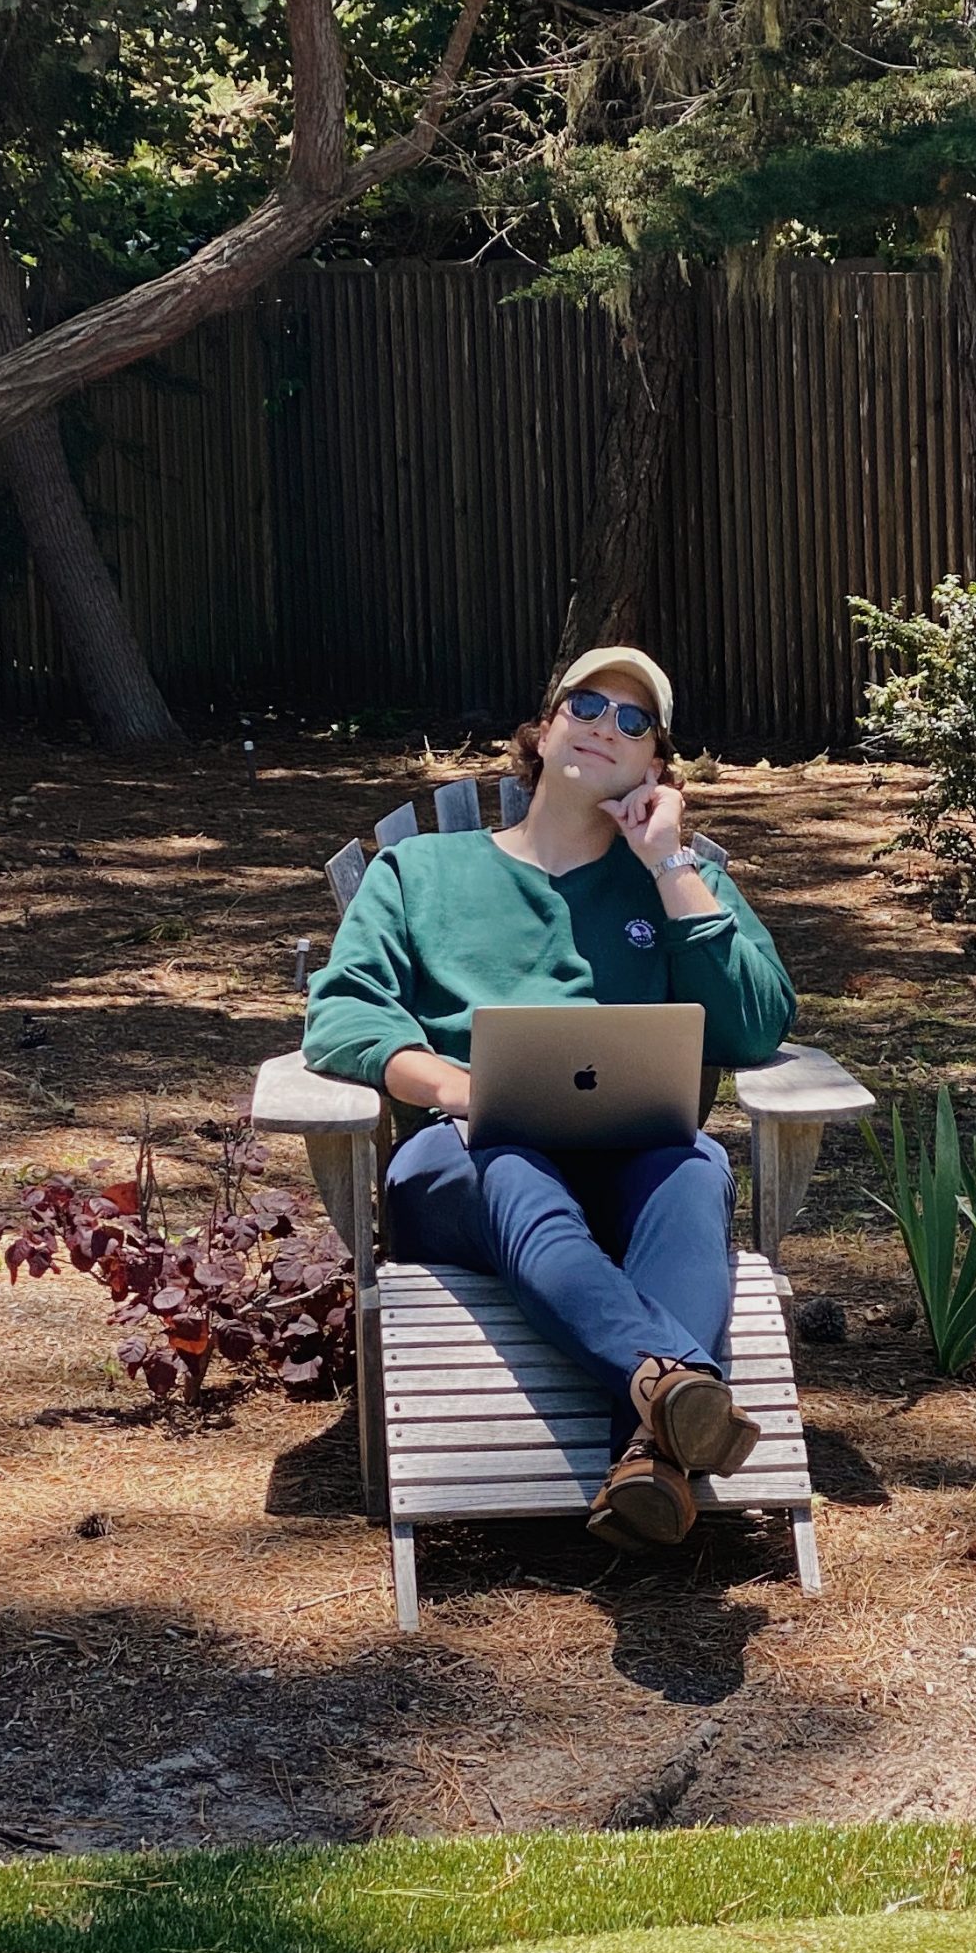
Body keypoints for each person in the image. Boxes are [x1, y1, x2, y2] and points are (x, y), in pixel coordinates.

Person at [301, 646, 797, 1549]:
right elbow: (342, 1018)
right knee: (512, 1165)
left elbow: (757, 1028)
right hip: (462, 1167)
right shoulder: (420, 874)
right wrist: (458, 1088)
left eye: (635, 721)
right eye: (588, 706)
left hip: (634, 1164)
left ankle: (650, 1459)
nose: (607, 726)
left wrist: (669, 867)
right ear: (545, 728)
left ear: (657, 767)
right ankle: (673, 1379)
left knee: (693, 1166)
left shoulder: (674, 880)